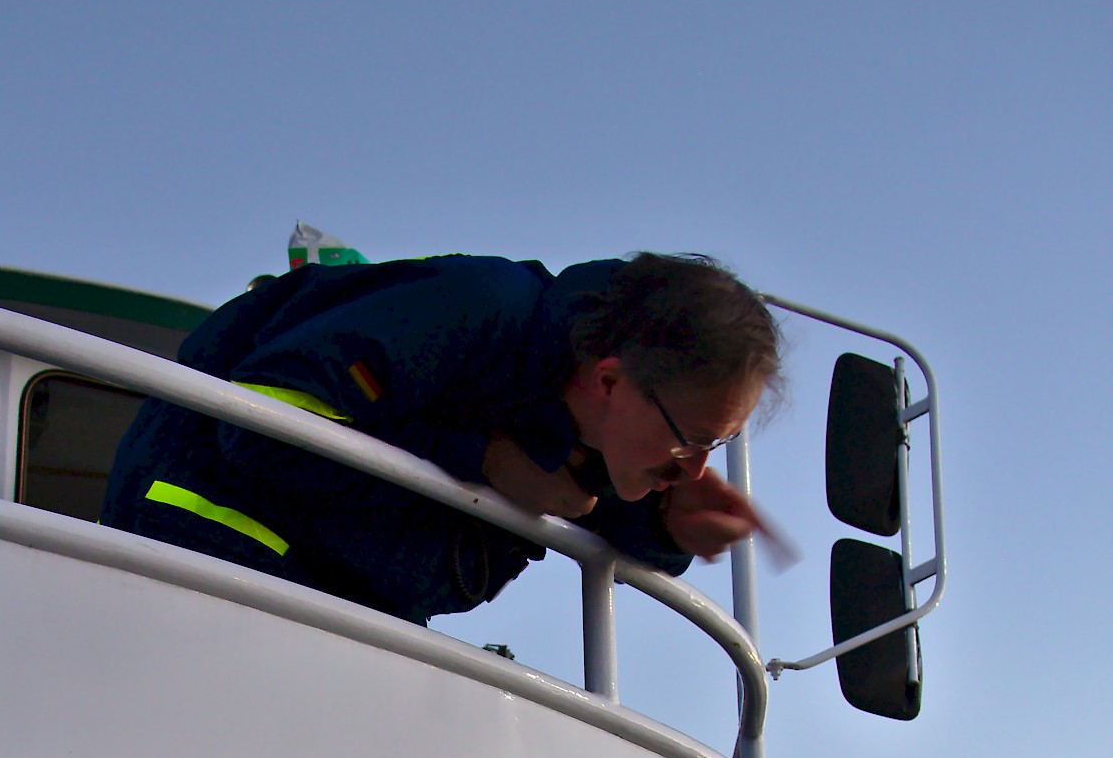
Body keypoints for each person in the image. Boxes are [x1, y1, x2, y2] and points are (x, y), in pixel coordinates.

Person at [101, 253, 780, 624]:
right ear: (609, 381)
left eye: (713, 449)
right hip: (209, 555)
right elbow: (258, 425)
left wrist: (667, 521)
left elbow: (590, 497)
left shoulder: (592, 418)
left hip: (336, 604)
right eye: (690, 442)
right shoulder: (477, 308)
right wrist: (478, 461)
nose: (693, 470)